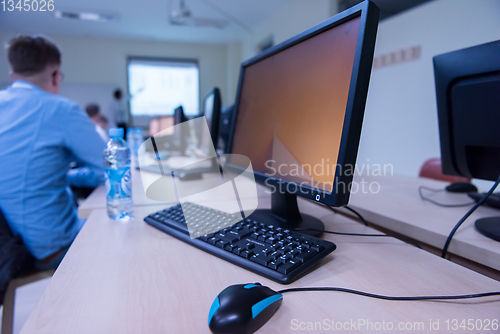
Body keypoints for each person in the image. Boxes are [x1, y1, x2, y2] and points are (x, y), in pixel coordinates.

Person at [0, 35, 106, 269]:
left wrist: (68, 176)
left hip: (7, 248)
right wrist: (77, 176)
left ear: (12, 75)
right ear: (56, 76)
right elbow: (111, 167)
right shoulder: (59, 109)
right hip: (46, 249)